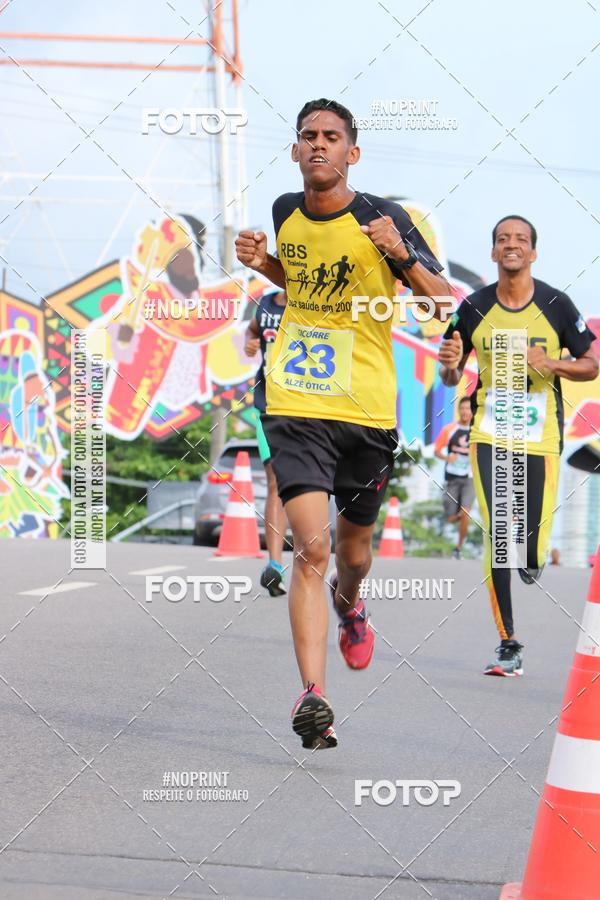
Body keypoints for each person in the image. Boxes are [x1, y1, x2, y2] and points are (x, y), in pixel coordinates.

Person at [235, 98, 452, 749]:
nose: (319, 145)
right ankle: (313, 697)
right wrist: (264, 266)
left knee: (352, 556)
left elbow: (441, 303)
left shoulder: (387, 217)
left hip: (366, 411)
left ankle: (351, 604)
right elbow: (300, 289)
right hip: (297, 404)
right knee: (313, 548)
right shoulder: (284, 213)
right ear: (297, 151)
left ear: (352, 152)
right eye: (308, 137)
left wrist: (401, 254)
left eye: (332, 137)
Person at [439, 215, 598, 676]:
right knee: (498, 535)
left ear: (532, 253)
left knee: (529, 539)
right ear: (493, 253)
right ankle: (508, 641)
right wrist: (449, 367)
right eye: (503, 239)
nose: (512, 245)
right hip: (490, 431)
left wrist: (551, 363)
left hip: (540, 434)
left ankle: (532, 555)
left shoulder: (555, 303)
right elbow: (450, 371)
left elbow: (591, 365)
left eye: (521, 240)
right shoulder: (473, 307)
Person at [244, 289, 289, 596]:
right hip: (267, 404)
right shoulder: (266, 304)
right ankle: (274, 565)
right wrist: (250, 342)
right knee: (275, 482)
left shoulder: (314, 301)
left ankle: (311, 557)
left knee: (311, 485)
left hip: (307, 407)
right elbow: (252, 329)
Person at [434, 395, 474, 559]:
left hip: (470, 478)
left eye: (468, 408)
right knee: (451, 518)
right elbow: (437, 450)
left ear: (472, 411)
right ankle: (455, 516)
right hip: (451, 477)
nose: (465, 412)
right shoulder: (449, 429)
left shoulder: (477, 431)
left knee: (466, 512)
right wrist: (446, 457)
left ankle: (458, 548)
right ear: (458, 410)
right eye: (462, 408)